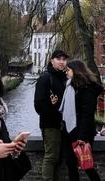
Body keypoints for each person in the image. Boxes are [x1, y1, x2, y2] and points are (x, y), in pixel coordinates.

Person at [60, 59, 103, 181]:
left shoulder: (88, 89)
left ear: (76, 71)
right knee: (71, 164)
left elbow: (87, 114)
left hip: (81, 133)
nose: (66, 72)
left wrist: (82, 136)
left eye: (68, 70)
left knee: (86, 165)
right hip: (69, 132)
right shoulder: (70, 86)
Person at [34, 49, 69, 181]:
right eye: (58, 59)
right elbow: (38, 104)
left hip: (63, 124)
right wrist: (54, 113)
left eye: (64, 59)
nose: (61, 62)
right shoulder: (45, 78)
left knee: (58, 157)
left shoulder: (64, 78)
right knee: (51, 156)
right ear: (52, 61)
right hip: (51, 124)